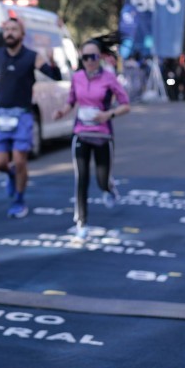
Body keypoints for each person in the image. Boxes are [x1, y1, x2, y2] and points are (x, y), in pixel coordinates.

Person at [0, 17, 61, 218]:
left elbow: (55, 76)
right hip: (1, 115)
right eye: (6, 29)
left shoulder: (32, 56)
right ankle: (11, 173)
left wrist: (52, 61)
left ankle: (19, 200)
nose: (9, 33)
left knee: (20, 160)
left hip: (22, 116)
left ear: (22, 34)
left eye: (14, 29)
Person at [53, 40, 130, 239]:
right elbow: (71, 101)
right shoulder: (77, 77)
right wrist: (62, 112)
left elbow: (125, 104)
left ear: (100, 57)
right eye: (85, 57)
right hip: (81, 133)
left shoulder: (109, 78)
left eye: (93, 57)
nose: (89, 61)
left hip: (103, 135)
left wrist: (108, 115)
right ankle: (81, 221)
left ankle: (108, 188)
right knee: (82, 177)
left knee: (102, 180)